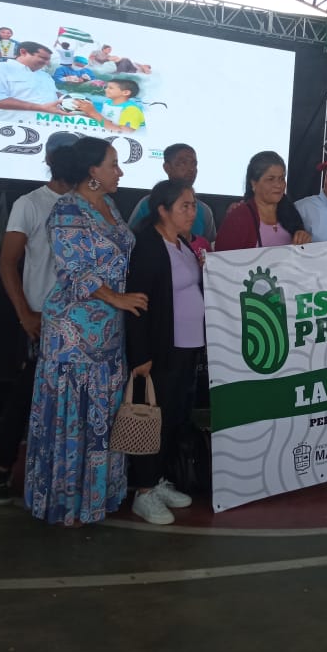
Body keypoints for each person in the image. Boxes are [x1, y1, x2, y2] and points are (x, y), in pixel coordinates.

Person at [23, 137, 148, 526]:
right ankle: (66, 502)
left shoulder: (109, 206)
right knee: (73, 419)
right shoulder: (67, 210)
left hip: (108, 335)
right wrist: (117, 298)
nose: (120, 172)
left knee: (102, 417)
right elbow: (74, 271)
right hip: (73, 338)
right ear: (93, 171)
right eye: (113, 164)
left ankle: (96, 498)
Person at [0, 131, 79, 505]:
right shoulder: (30, 203)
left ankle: (65, 474)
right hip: (42, 319)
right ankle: (3, 466)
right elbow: (7, 262)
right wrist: (25, 314)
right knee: (27, 395)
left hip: (82, 322)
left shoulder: (89, 204)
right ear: (51, 159)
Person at [124, 179, 205, 524]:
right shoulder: (149, 246)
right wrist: (141, 355)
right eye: (185, 205)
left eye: (194, 204)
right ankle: (143, 491)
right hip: (162, 351)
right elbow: (138, 305)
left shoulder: (182, 243)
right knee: (152, 419)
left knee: (173, 418)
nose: (192, 211)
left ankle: (158, 480)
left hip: (188, 349)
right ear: (163, 210)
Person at [214, 151, 311, 250]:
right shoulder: (239, 217)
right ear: (254, 184)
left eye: (281, 179)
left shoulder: (290, 212)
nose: (278, 185)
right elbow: (222, 258)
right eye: (271, 179)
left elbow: (303, 253)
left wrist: (303, 238)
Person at [127, 143, 217, 241]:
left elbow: (209, 246)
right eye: (183, 163)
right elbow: (130, 240)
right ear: (167, 168)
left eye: (194, 164)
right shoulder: (146, 204)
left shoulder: (204, 211)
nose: (191, 169)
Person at [0, 41, 64, 123]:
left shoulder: (45, 76)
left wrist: (68, 100)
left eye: (48, 59)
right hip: (7, 129)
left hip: (48, 128)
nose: (47, 63)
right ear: (23, 52)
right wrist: (41, 108)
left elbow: (54, 94)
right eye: (43, 58)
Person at [75, 78, 144, 133]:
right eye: (106, 87)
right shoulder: (107, 103)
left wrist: (93, 113)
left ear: (125, 92)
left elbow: (122, 132)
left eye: (110, 88)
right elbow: (103, 120)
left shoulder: (131, 110)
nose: (105, 89)